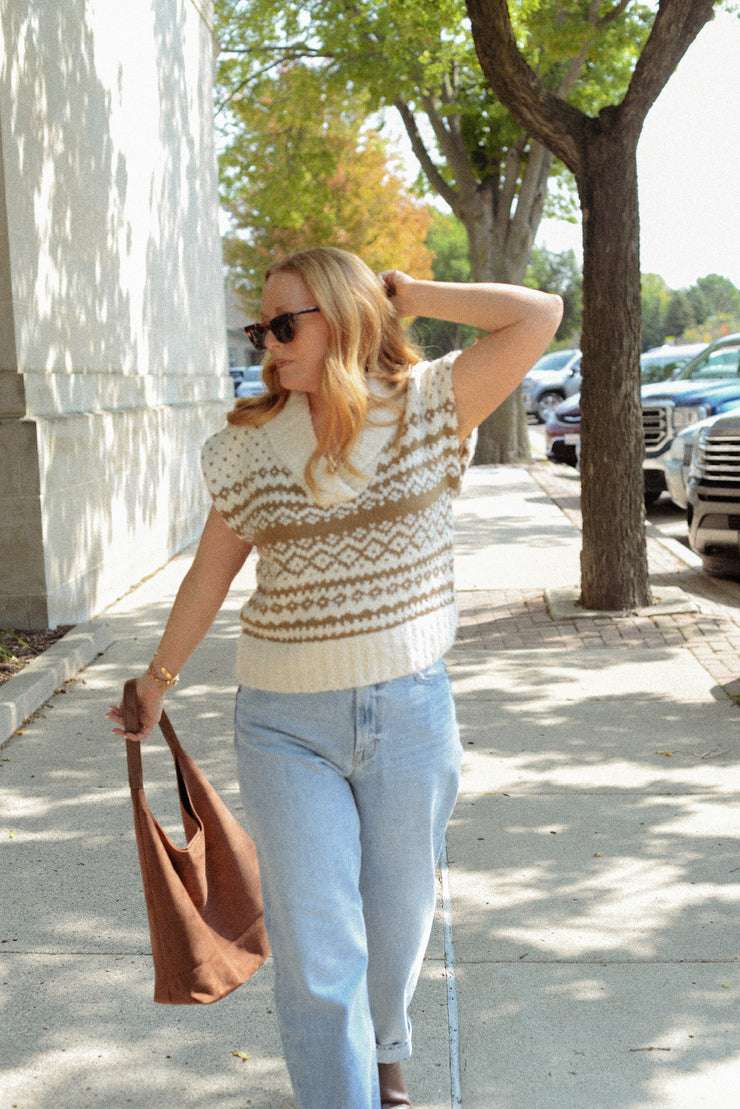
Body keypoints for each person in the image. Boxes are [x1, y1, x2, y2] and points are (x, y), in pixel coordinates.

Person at [109, 247, 562, 1109]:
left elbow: (538, 313)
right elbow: (211, 570)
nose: (269, 344)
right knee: (320, 958)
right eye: (261, 328)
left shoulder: (432, 406)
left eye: (286, 324)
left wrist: (413, 295)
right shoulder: (247, 448)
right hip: (285, 725)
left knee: (393, 932)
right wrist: (157, 677)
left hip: (412, 715)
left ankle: (386, 1057)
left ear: (345, 320)